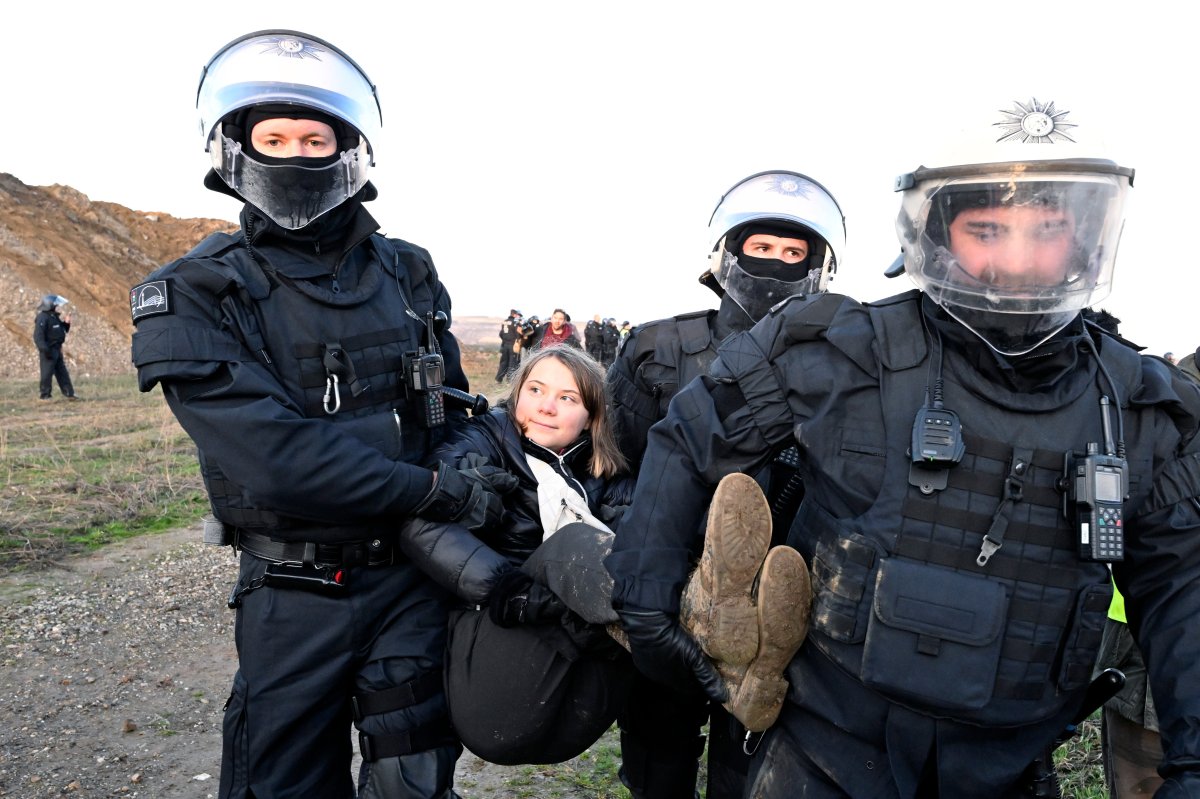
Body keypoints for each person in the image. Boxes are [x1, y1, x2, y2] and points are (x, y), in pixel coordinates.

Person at [606, 96, 1200, 798]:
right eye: (987, 229)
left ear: (1089, 239)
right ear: (941, 233)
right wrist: (644, 602)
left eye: (1047, 229)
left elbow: (1182, 588)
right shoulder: (837, 349)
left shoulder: (1140, 410)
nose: (1016, 257)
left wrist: (1191, 762)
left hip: (1008, 767)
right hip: (821, 751)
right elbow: (688, 435)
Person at [129, 29, 510, 798]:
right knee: (282, 783)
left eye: (314, 137)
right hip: (293, 593)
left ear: (349, 147)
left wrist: (472, 457)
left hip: (412, 578)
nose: (295, 155)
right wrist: (433, 489)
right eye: (272, 138)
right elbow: (276, 458)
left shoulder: (408, 269)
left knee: (414, 777)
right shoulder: (197, 292)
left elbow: (459, 406)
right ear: (234, 149)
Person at [606, 170, 845, 799]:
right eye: (761, 249)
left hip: (779, 608)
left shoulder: (835, 363)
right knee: (659, 755)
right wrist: (659, 567)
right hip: (668, 586)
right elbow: (620, 462)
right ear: (728, 253)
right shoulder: (657, 347)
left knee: (750, 765)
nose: (776, 266)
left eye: (796, 254)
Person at [398, 345, 635, 765]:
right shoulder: (482, 443)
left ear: (591, 418)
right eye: (535, 389)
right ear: (516, 393)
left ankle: (723, 652)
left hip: (576, 708)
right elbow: (418, 523)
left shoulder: (607, 475)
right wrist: (507, 589)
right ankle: (682, 620)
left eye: (568, 398)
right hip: (499, 693)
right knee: (578, 541)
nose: (546, 407)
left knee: (638, 547)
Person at [33, 294, 76, 400]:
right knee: (47, 374)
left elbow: (61, 330)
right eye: (55, 305)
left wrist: (66, 324)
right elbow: (38, 336)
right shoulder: (42, 317)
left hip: (57, 349)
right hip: (48, 350)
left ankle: (69, 394)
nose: (57, 307)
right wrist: (45, 350)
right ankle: (45, 396)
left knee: (62, 372)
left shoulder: (53, 316)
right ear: (49, 305)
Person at [497, 308, 523, 381]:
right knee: (512, 362)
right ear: (515, 314)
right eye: (518, 315)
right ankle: (509, 379)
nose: (518, 316)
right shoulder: (515, 322)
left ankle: (499, 378)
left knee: (503, 362)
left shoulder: (505, 322)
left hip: (505, 344)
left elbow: (501, 333)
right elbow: (518, 334)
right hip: (513, 345)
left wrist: (505, 340)